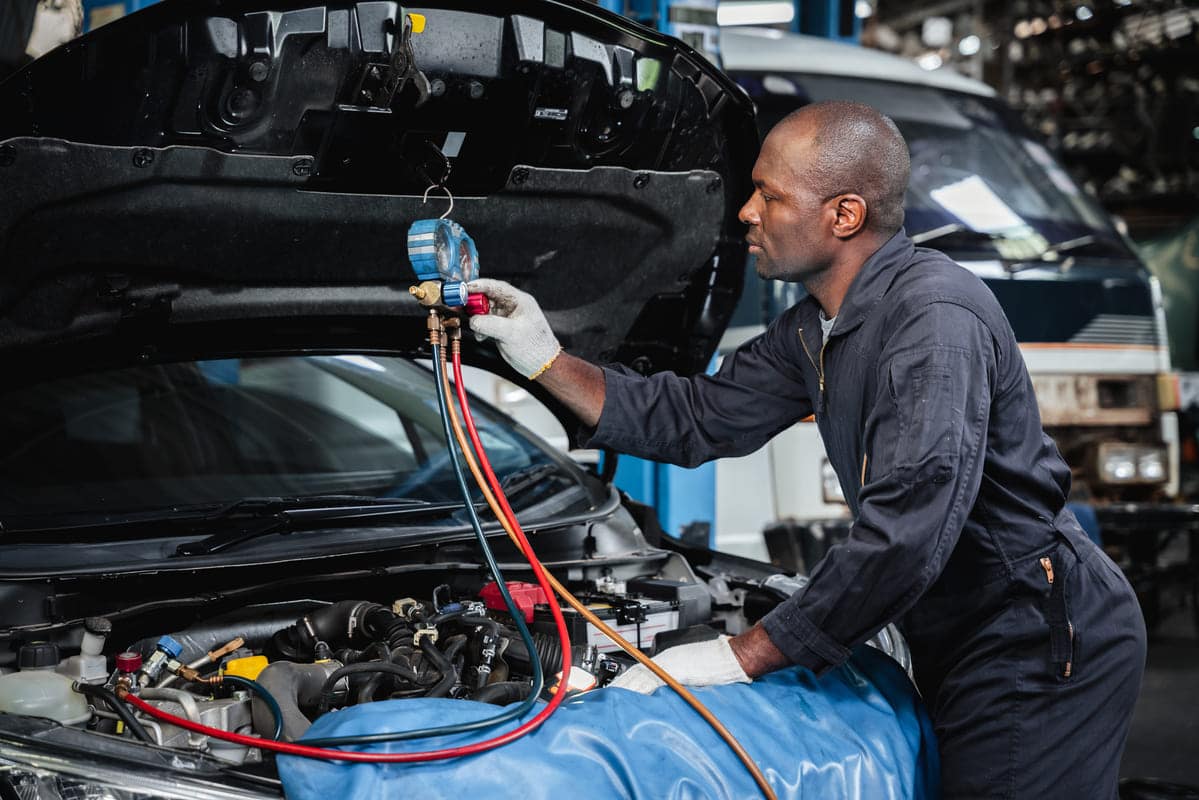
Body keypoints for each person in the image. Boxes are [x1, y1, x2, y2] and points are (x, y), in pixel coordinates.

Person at [467, 100, 1146, 798]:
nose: (746, 214)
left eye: (770, 195)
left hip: (1031, 636)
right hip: (960, 624)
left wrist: (744, 654)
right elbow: (698, 417)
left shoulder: (931, 319)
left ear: (843, 215)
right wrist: (544, 357)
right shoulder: (817, 326)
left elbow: (904, 533)